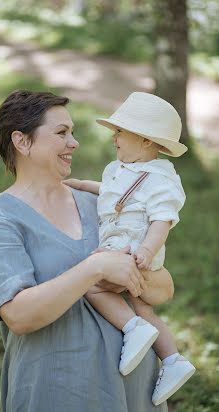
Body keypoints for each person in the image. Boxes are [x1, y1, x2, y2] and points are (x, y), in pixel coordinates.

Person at [0, 89, 172, 412]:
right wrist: (96, 269)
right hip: (56, 393)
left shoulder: (102, 204)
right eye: (61, 133)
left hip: (135, 394)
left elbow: (164, 289)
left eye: (73, 132)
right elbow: (20, 316)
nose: (74, 142)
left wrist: (133, 274)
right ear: (22, 142)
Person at [65, 92, 195, 406]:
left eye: (121, 131)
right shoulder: (120, 169)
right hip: (128, 249)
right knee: (145, 306)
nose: (114, 137)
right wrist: (82, 184)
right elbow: (112, 193)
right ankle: (174, 360)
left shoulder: (161, 178)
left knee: (91, 285)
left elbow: (162, 220)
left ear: (147, 141)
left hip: (132, 248)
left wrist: (148, 252)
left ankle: (132, 328)